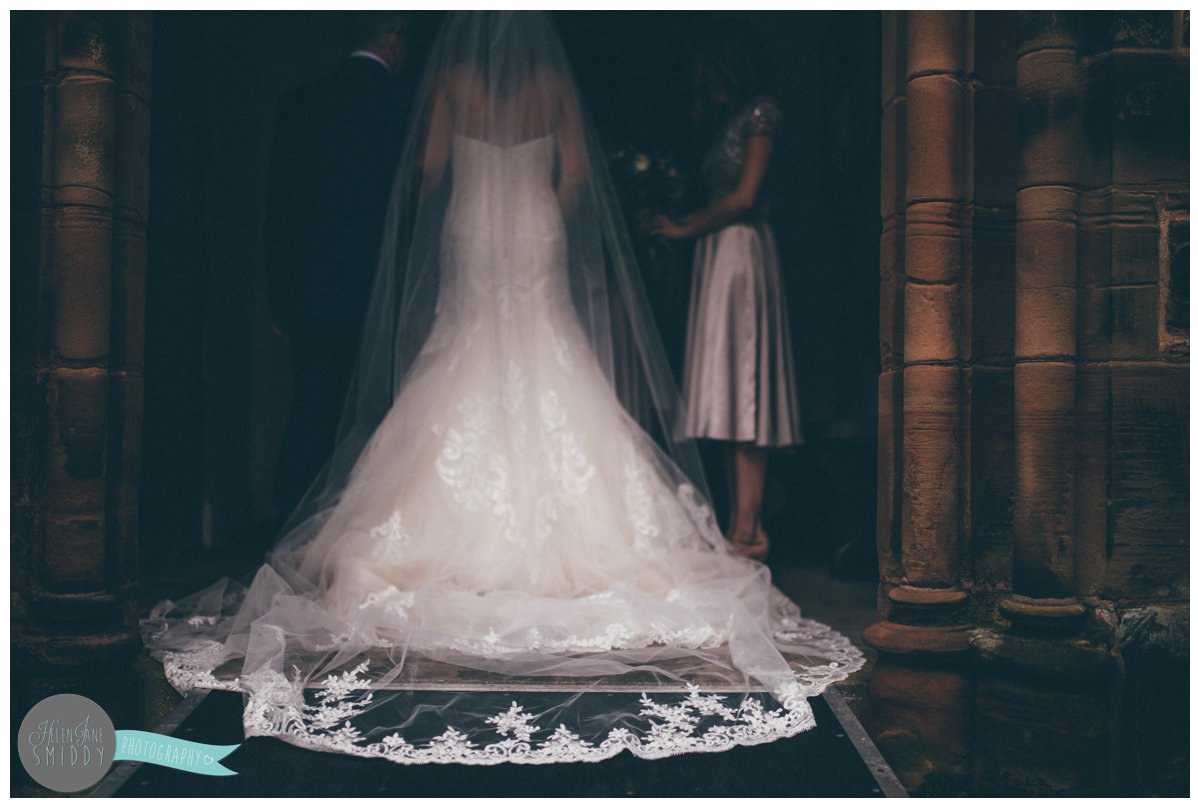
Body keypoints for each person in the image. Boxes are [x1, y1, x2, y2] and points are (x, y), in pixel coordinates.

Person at [141, 12, 862, 767]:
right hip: (534, 225)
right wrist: (536, 188)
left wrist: (464, 181)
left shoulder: (449, 80)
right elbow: (578, 176)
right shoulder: (553, 83)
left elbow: (425, 167)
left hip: (473, 225)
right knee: (550, 346)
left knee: (463, 347)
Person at [646, 19, 802, 561]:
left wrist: (683, 226)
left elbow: (745, 196)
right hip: (720, 255)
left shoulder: (760, 113)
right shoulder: (725, 120)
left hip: (740, 253)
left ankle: (748, 529)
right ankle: (742, 530)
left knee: (747, 390)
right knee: (731, 393)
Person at [265, 12, 413, 524]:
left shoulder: (302, 104)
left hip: (310, 290)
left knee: (310, 410)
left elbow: (278, 210)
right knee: (376, 417)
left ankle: (290, 529)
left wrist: (277, 298)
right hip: (379, 288)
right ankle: (358, 530)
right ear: (393, 37)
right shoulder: (402, 108)